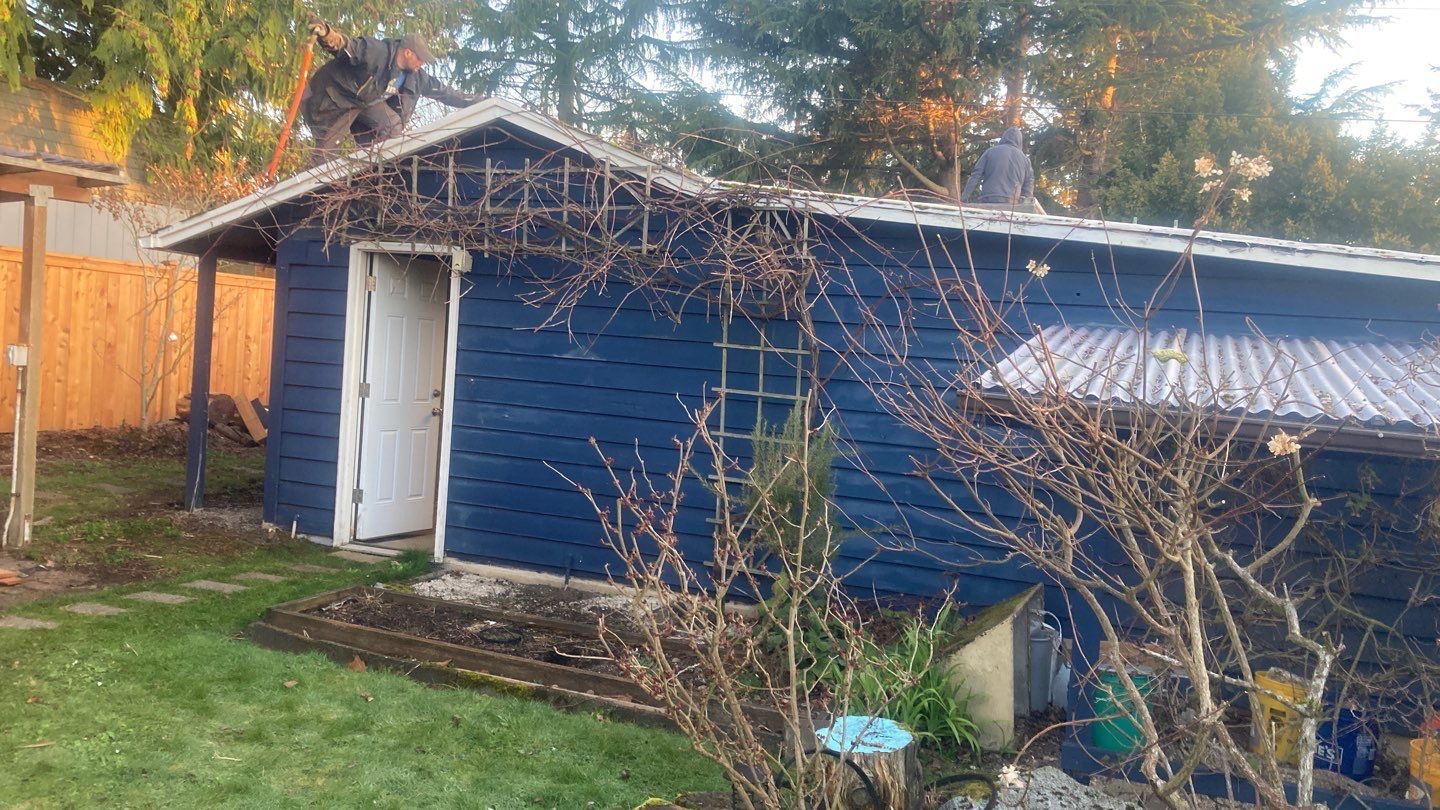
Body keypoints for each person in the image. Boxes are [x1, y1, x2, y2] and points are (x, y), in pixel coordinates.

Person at [302, 18, 478, 163]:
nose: (421, 64)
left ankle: (374, 170)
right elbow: (346, 46)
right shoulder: (377, 52)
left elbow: (445, 92)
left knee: (393, 126)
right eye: (420, 59)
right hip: (335, 99)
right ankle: (312, 197)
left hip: (365, 102)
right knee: (325, 155)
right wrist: (326, 33)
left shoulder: (416, 76)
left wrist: (476, 101)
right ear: (407, 52)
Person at [960, 126, 1035, 207]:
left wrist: (964, 198)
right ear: (1020, 141)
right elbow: (1028, 185)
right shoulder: (1025, 160)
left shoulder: (990, 152)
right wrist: (1026, 205)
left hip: (989, 198)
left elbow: (975, 176)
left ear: (1004, 137)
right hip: (1011, 202)